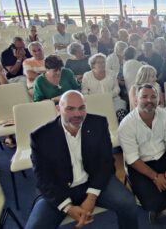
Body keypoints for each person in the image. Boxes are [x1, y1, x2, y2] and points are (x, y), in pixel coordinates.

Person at [26, 91, 139, 229]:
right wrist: (68, 207)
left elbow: (106, 163)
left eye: (81, 108)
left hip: (94, 182)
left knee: (128, 203)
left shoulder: (98, 124)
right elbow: (42, 178)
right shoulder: (41, 136)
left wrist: (91, 197)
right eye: (70, 108)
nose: (77, 114)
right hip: (60, 189)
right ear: (58, 109)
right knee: (35, 227)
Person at [117, 84, 166, 223]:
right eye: (144, 97)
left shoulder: (163, 114)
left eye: (153, 97)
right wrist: (156, 177)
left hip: (162, 157)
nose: (149, 100)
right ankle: (162, 202)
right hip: (141, 164)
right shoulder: (126, 125)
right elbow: (133, 159)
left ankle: (164, 199)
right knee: (150, 203)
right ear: (136, 100)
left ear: (158, 99)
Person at [82, 54, 128, 121]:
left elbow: (117, 89)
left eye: (103, 62)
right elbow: (84, 91)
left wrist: (108, 96)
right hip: (94, 101)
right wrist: (93, 99)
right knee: (94, 119)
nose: (102, 64)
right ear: (93, 64)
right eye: (99, 62)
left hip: (112, 100)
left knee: (121, 114)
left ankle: (121, 130)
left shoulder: (112, 73)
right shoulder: (87, 75)